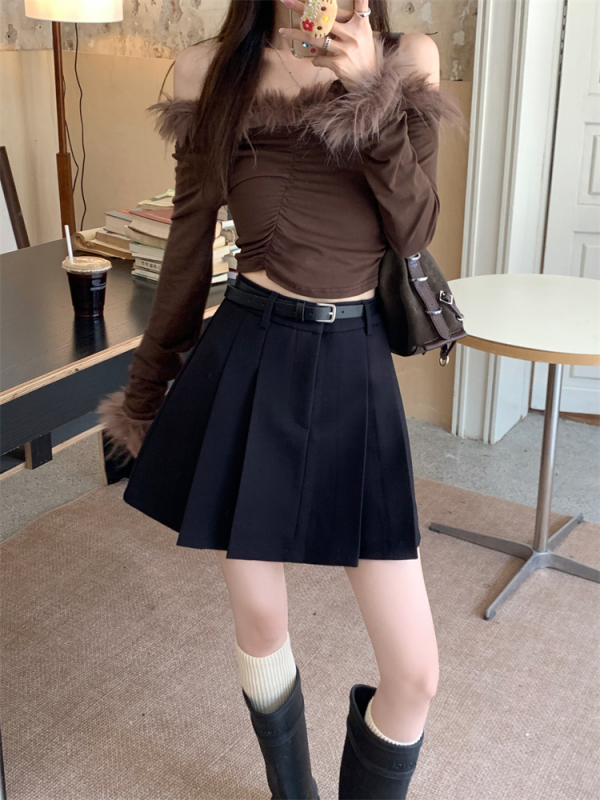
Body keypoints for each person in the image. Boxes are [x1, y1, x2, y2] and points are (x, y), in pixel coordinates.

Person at [97, 1, 466, 797]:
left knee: (415, 673)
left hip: (355, 368)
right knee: (261, 622)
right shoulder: (211, 69)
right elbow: (189, 245)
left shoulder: (409, 58)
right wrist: (145, 393)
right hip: (249, 359)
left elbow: (414, 230)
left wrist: (369, 91)